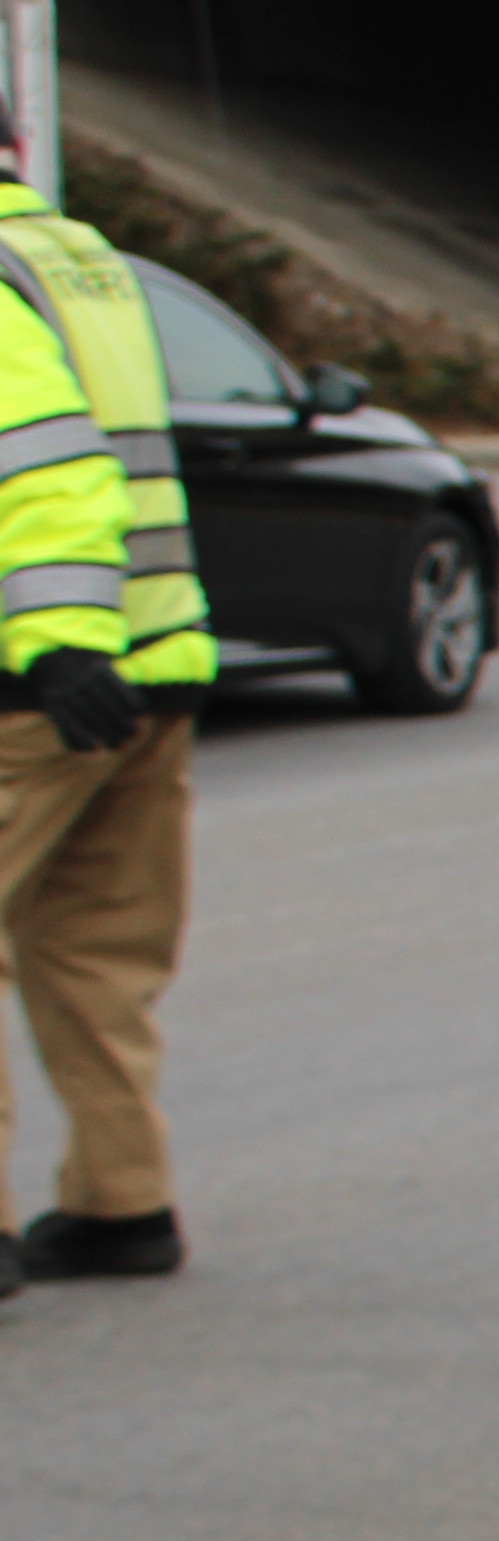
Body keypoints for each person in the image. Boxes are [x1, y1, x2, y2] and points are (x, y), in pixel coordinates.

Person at [0, 172, 177, 1306]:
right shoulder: (74, 251)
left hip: (38, 677)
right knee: (94, 950)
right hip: (154, 669)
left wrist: (58, 643)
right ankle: (124, 1199)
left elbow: (43, 462)